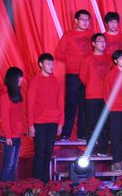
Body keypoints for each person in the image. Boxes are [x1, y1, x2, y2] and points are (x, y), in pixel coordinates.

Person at [55, 9, 92, 140]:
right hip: (73, 74)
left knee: (84, 105)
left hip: (88, 76)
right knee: (71, 104)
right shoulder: (68, 35)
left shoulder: (92, 35)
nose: (85, 22)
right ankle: (65, 134)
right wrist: (72, 60)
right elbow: (58, 53)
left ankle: (82, 134)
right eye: (82, 19)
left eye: (87, 20)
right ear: (76, 21)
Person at [27, 53, 63, 181]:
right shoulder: (35, 81)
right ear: (41, 64)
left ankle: (46, 181)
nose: (51, 66)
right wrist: (30, 125)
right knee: (40, 153)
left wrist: (61, 123)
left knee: (48, 154)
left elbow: (61, 103)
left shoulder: (56, 81)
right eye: (48, 63)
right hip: (39, 122)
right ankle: (36, 182)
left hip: (53, 122)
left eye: (52, 64)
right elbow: (30, 104)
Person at [79, 33, 112, 154]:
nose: (103, 44)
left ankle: (102, 149)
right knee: (91, 123)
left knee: (104, 124)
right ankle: (90, 149)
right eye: (100, 41)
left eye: (104, 41)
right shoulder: (87, 59)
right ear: (93, 43)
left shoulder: (109, 58)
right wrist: (92, 85)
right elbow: (83, 77)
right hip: (92, 96)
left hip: (106, 96)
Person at [104, 49, 122, 172]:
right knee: (115, 136)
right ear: (116, 61)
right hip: (115, 110)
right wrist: (110, 108)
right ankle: (116, 160)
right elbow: (106, 93)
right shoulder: (111, 74)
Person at [0, 67, 26, 181]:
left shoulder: (16, 95)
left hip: (17, 135)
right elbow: (4, 118)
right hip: (8, 137)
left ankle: (12, 188)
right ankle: (3, 188)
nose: (22, 79)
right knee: (8, 165)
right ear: (14, 78)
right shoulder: (5, 96)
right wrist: (8, 137)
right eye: (20, 77)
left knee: (14, 165)